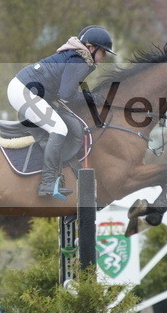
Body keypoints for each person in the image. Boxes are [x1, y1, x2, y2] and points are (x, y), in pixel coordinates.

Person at [8, 25, 115, 198]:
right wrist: (93, 99)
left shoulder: (77, 58)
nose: (104, 57)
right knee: (59, 129)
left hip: (28, 90)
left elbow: (64, 92)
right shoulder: (79, 62)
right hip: (24, 92)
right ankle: (48, 182)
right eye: (103, 52)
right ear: (91, 48)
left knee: (67, 124)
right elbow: (67, 95)